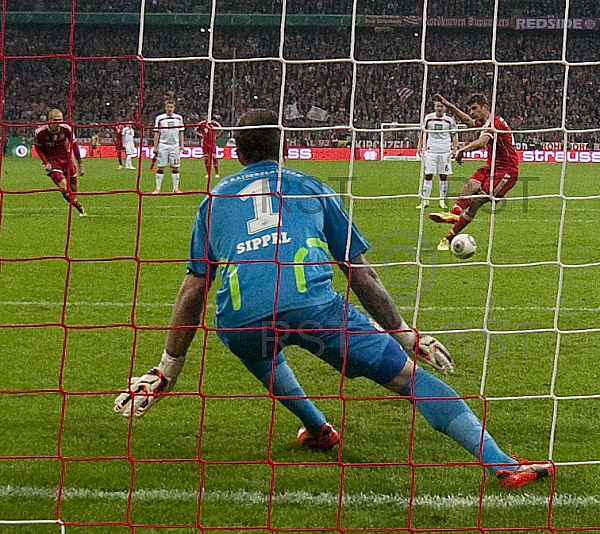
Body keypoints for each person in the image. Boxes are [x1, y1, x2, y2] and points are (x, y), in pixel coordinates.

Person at [113, 108, 552, 490]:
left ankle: (318, 429)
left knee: (263, 352)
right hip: (315, 309)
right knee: (414, 382)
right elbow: (360, 272)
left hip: (239, 318)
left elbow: (194, 287)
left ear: (235, 151)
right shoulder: (312, 186)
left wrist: (167, 368)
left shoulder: (213, 200)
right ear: (282, 147)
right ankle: (501, 465)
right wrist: (402, 332)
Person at [428, 93, 519, 251]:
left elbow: (481, 142)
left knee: (476, 201)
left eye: (475, 108)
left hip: (506, 171)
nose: (472, 112)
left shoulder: (494, 123)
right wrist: (450, 106)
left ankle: (449, 237)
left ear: (485, 107)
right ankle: (454, 213)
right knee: (471, 185)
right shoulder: (485, 123)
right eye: (470, 109)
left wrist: (462, 150)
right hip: (491, 167)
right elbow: (468, 122)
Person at [34, 108, 87, 217]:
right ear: (49, 120)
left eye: (60, 120)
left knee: (74, 188)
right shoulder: (40, 133)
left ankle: (73, 199)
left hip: (66, 160)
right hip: (53, 162)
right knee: (63, 187)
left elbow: (75, 146)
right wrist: (45, 162)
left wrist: (80, 164)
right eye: (56, 120)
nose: (59, 122)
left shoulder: (66, 129)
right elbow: (38, 148)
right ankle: (78, 205)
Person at [417, 100, 458, 210]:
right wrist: (420, 146)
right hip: (431, 151)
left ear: (445, 108)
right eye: (437, 106)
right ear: (434, 107)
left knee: (443, 176)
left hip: (445, 151)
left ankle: (442, 200)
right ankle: (425, 200)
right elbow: (423, 132)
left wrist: (455, 148)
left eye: (441, 106)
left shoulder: (449, 120)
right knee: (429, 174)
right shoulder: (428, 118)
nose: (439, 108)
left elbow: (454, 135)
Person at [152, 100, 184, 194]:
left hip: (174, 146)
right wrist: (155, 147)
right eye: (168, 107)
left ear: (174, 108)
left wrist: (181, 145)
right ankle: (158, 189)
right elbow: (156, 133)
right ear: (165, 107)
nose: (169, 109)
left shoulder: (178, 118)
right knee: (161, 167)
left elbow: (181, 132)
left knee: (175, 167)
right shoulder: (160, 118)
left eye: (171, 107)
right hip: (163, 145)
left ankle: (175, 188)